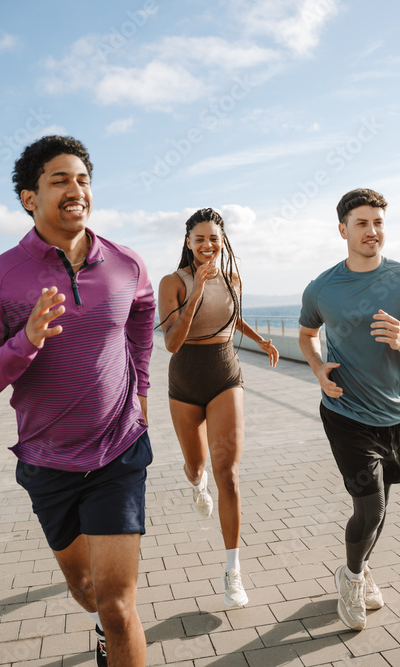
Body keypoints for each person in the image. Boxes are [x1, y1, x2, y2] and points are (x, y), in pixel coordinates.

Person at [0, 135, 154, 667]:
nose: (75, 189)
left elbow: (141, 319)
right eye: (59, 180)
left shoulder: (126, 264)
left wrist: (143, 391)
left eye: (83, 179)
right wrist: (26, 343)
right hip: (47, 460)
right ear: (28, 198)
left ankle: (112, 634)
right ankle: (102, 627)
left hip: (119, 451)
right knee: (86, 589)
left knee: (117, 604)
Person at [298, 188, 400, 631]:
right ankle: (352, 578)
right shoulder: (322, 287)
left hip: (395, 414)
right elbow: (306, 334)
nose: (372, 231)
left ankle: (359, 569)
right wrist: (319, 369)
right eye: (361, 223)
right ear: (343, 230)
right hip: (344, 412)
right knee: (371, 507)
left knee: (380, 508)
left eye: (378, 222)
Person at [157, 208, 279, 608]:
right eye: (199, 239)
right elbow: (172, 342)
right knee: (197, 466)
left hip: (226, 374)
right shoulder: (172, 283)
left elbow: (231, 317)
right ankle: (196, 483)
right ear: (188, 243)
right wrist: (197, 290)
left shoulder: (232, 279)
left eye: (214, 238)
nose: (207, 245)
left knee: (228, 474)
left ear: (223, 241)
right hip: (185, 380)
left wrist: (261, 340)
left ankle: (233, 571)